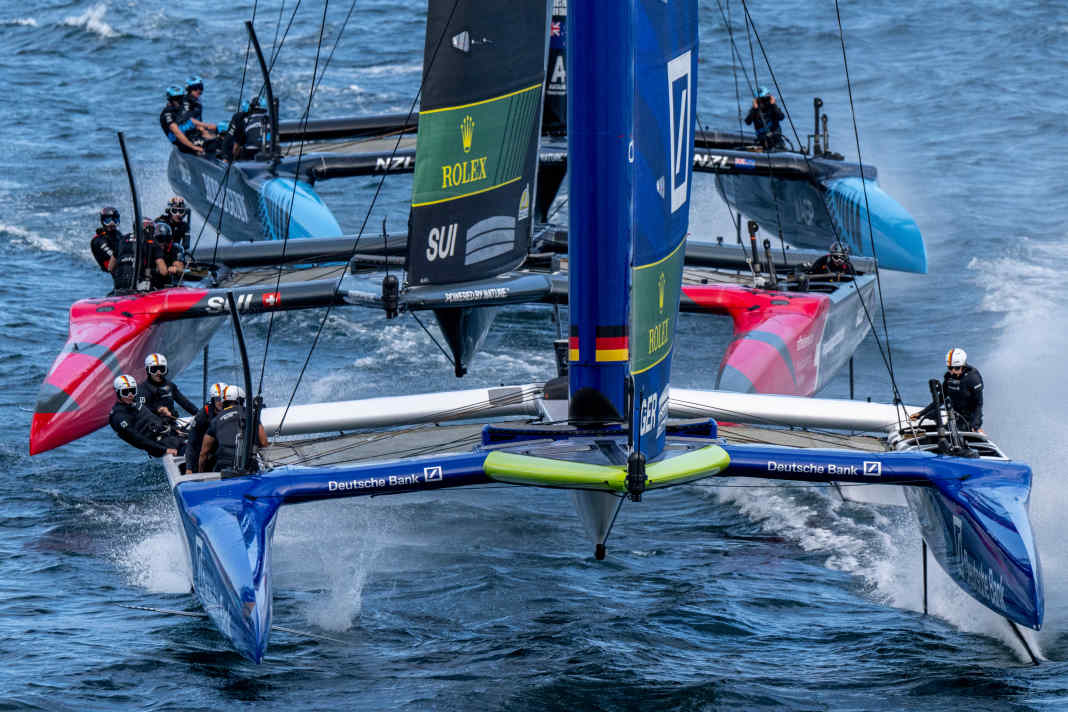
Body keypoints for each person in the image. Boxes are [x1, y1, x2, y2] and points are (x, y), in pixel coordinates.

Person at [910, 347, 984, 433]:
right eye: (950, 368)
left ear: (963, 365)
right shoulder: (949, 377)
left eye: (956, 368)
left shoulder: (973, 378)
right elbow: (941, 399)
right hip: (954, 419)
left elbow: (978, 404)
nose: (952, 371)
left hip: (969, 422)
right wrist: (921, 413)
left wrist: (975, 426)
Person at [109, 374, 184, 458]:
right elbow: (137, 438)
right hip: (160, 444)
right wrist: (164, 450)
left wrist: (160, 408)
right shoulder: (119, 416)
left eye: (133, 391)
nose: (130, 395)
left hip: (168, 433)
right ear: (118, 392)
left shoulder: (133, 402)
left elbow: (151, 410)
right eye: (125, 392)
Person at [199, 385, 269, 472]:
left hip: (223, 468)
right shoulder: (250, 415)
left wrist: (200, 474)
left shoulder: (215, 420)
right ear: (240, 400)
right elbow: (264, 442)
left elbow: (203, 453)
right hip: (248, 466)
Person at [139, 353, 198, 420]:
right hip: (153, 424)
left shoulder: (170, 386)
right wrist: (158, 409)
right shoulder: (142, 389)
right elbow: (142, 409)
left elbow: (185, 403)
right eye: (154, 370)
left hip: (172, 421)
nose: (158, 373)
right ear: (148, 370)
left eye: (161, 369)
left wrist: (199, 414)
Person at [184, 381, 227, 473]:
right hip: (202, 453)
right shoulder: (203, 415)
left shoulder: (231, 410)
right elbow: (191, 443)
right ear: (213, 400)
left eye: (223, 399)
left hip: (220, 452)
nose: (221, 402)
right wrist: (189, 468)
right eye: (218, 399)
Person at [159, 85, 204, 155]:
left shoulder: (181, 107)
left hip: (190, 136)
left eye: (181, 98)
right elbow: (177, 132)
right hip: (179, 142)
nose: (179, 101)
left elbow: (193, 122)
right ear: (170, 99)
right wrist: (194, 147)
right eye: (176, 99)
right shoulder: (167, 113)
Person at [744, 86, 785, 150]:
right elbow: (747, 122)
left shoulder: (772, 108)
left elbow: (781, 117)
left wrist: (773, 105)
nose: (764, 102)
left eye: (766, 99)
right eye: (761, 100)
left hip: (775, 140)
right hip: (762, 141)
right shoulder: (755, 110)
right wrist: (755, 109)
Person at [231, 96, 271, 161]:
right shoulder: (272, 121)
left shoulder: (245, 121)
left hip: (250, 153)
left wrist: (233, 159)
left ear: (251, 108)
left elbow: (236, 147)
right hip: (269, 152)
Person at [149, 221, 185, 289]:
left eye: (166, 239)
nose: (163, 243)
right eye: (159, 239)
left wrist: (175, 269)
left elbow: (179, 267)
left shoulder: (176, 248)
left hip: (168, 282)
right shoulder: (149, 247)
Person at [90, 206, 120, 273]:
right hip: (109, 271)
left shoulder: (118, 234)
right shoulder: (98, 240)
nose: (112, 223)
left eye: (115, 220)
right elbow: (114, 255)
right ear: (103, 221)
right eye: (108, 220)